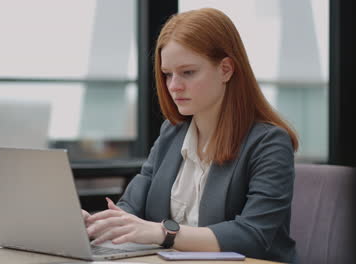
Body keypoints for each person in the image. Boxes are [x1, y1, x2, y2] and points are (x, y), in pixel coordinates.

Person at [82, 7, 299, 263]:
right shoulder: (171, 134)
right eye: (167, 74)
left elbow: (252, 236)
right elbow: (132, 208)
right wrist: (96, 224)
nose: (174, 86)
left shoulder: (269, 143)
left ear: (226, 70)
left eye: (188, 72)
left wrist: (163, 233)